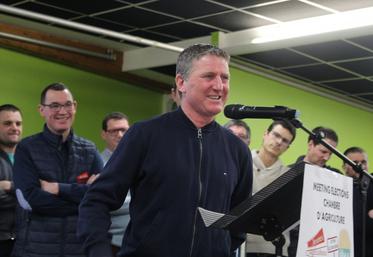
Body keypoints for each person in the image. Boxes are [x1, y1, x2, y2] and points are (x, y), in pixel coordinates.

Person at [78, 44, 253, 257]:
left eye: (224, 78)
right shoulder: (145, 135)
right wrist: (99, 251)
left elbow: (238, 223)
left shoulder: (237, 150)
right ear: (181, 83)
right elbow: (97, 200)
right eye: (209, 76)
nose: (219, 86)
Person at [12, 83, 103, 257]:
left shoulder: (89, 150)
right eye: (54, 105)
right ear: (41, 110)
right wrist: (81, 200)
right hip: (36, 250)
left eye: (67, 104)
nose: (62, 111)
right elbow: (32, 199)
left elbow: (101, 195)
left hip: (78, 250)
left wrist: (58, 189)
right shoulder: (26, 148)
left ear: (74, 107)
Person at [246, 120, 296, 257]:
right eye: (276, 135)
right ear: (265, 134)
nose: (279, 142)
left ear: (287, 147)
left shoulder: (289, 176)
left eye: (285, 141)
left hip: (276, 249)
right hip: (243, 245)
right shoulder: (242, 163)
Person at [288, 126, 339, 257]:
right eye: (323, 151)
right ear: (310, 144)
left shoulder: (336, 178)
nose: (326, 157)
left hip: (325, 245)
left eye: (331, 154)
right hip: (292, 243)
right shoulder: (287, 172)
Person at [101, 112, 131, 256]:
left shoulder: (138, 161)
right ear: (104, 134)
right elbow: (109, 203)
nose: (120, 135)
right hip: (113, 243)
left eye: (124, 130)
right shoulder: (99, 165)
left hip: (138, 240)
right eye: (114, 131)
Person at [0, 104, 22, 257]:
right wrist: (24, 195)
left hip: (24, 239)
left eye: (18, 123)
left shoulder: (29, 157)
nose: (14, 127)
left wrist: (9, 186)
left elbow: (40, 193)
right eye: (7, 123)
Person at [342, 147, 373, 257]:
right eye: (355, 163)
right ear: (344, 167)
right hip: (346, 248)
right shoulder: (338, 187)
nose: (361, 166)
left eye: (364, 162)